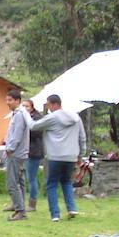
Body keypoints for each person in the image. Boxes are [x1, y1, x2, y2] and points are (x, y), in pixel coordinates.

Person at [29, 94, 87, 222]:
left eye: (48, 104)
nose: (48, 107)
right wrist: (80, 155)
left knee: (51, 184)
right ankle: (71, 208)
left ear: (54, 104)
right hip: (71, 156)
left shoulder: (52, 117)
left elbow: (33, 126)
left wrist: (24, 113)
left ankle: (55, 214)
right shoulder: (76, 118)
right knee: (66, 182)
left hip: (55, 156)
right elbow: (82, 138)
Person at [2, 88, 30, 221]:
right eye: (6, 100)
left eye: (10, 100)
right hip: (19, 152)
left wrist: (10, 149)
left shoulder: (19, 114)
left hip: (16, 153)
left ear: (17, 101)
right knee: (20, 181)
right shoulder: (17, 113)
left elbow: (17, 134)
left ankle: (20, 211)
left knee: (12, 183)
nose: (7, 103)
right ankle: (19, 206)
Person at [22, 99, 44, 212]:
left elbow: (37, 132)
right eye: (23, 106)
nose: (24, 108)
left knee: (31, 178)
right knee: (26, 177)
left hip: (34, 151)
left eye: (27, 106)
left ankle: (32, 203)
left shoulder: (37, 118)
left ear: (32, 107)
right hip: (25, 151)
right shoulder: (22, 117)